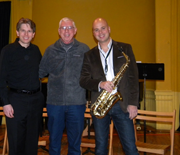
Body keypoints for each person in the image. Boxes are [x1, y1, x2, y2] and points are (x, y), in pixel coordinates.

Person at [79, 18, 139, 155]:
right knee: (100, 148)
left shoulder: (125, 49)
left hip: (122, 104)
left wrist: (133, 103)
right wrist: (100, 84)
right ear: (93, 33)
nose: (100, 32)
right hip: (100, 105)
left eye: (103, 28)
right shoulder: (89, 55)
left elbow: (133, 78)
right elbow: (83, 80)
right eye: (96, 29)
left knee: (130, 147)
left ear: (109, 29)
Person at [39, 17, 90, 155]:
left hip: (77, 103)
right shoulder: (50, 50)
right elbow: (40, 73)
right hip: (55, 104)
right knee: (54, 143)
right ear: (58, 31)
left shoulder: (84, 49)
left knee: (75, 144)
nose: (66, 31)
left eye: (69, 28)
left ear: (75, 31)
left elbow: (91, 73)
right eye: (63, 28)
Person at [0, 18, 44, 155]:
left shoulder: (36, 50)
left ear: (33, 34)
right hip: (16, 101)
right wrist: (6, 103)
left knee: (32, 142)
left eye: (29, 31)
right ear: (17, 32)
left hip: (35, 101)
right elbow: (0, 80)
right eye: (23, 30)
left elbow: (42, 73)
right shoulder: (7, 50)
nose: (26, 34)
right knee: (16, 142)